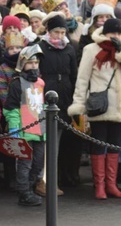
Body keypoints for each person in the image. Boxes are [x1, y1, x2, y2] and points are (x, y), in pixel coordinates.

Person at [68, 18, 121, 200]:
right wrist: (78, 104)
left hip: (120, 105)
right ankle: (99, 186)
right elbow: (82, 79)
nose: (115, 36)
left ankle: (111, 184)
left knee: (115, 145)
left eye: (118, 33)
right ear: (104, 33)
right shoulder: (91, 49)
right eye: (111, 33)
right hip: (100, 105)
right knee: (99, 144)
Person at [37, 12, 78, 195]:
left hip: (64, 98)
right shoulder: (40, 47)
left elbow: (74, 74)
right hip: (45, 97)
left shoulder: (70, 49)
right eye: (56, 32)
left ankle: (52, 181)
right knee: (43, 144)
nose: (60, 36)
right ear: (48, 31)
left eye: (62, 32)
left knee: (56, 145)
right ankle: (41, 180)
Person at [3, 44, 46, 207]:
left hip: (40, 130)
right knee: (24, 164)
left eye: (36, 63)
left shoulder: (41, 83)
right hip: (24, 130)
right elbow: (11, 109)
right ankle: (24, 192)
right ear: (23, 63)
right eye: (30, 62)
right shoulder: (16, 83)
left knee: (38, 162)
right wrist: (15, 129)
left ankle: (30, 187)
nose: (33, 66)